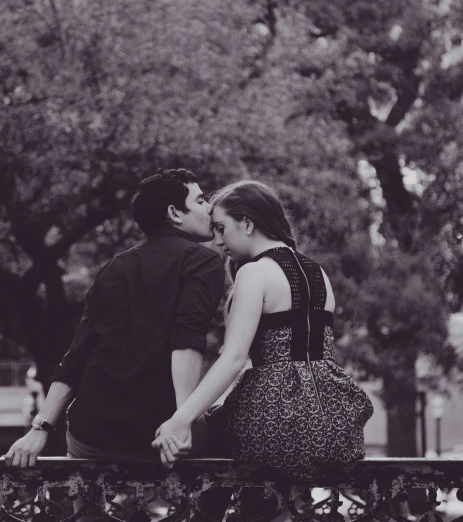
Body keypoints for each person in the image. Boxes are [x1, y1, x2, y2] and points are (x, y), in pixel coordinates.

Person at [153, 180, 373, 480]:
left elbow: (233, 360)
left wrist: (182, 418)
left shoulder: (255, 273)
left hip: (276, 418)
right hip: (334, 424)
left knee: (203, 448)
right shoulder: (319, 273)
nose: (217, 241)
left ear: (246, 223)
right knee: (269, 505)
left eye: (220, 228)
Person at [5, 169, 225, 468]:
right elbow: (187, 338)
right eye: (200, 200)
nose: (210, 208)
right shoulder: (203, 260)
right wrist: (182, 420)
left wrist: (39, 429)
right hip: (158, 436)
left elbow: (77, 355)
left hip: (91, 436)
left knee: (84, 506)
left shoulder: (116, 265)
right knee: (231, 438)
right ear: (175, 213)